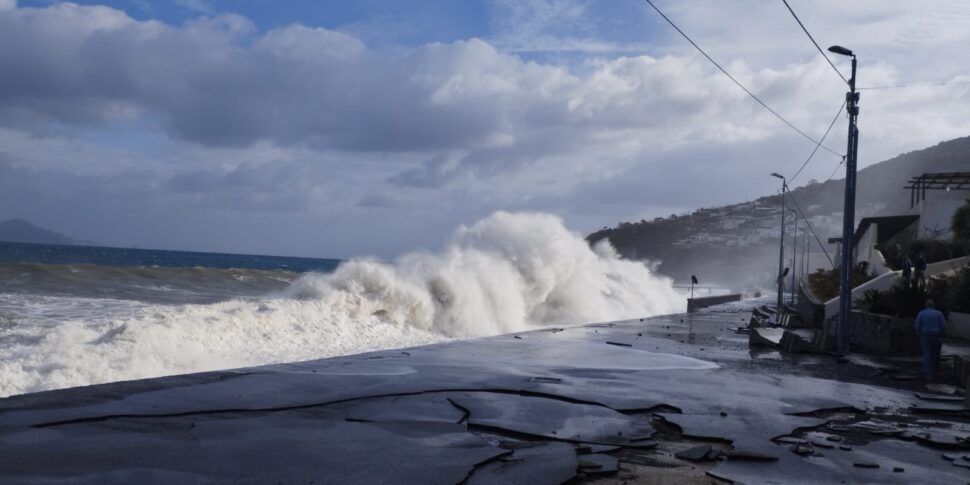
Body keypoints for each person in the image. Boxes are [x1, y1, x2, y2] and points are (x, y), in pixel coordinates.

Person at [914, 299, 946, 380]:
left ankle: (926, 372)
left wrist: (919, 333)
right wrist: (941, 334)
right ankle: (931, 372)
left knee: (926, 353)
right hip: (936, 335)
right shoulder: (939, 314)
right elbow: (943, 326)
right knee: (934, 354)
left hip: (925, 335)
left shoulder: (921, 313)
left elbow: (918, 325)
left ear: (926, 305)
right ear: (933, 305)